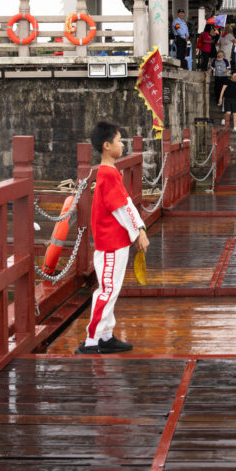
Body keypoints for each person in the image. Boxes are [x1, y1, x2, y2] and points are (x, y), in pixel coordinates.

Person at [77, 121, 150, 354]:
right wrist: (139, 231)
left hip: (115, 241)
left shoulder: (109, 173)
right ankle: (92, 339)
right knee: (107, 290)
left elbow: (125, 204)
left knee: (112, 288)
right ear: (107, 146)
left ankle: (106, 335)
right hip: (111, 243)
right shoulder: (108, 174)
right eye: (119, 141)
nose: (122, 144)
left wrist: (139, 228)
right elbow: (122, 208)